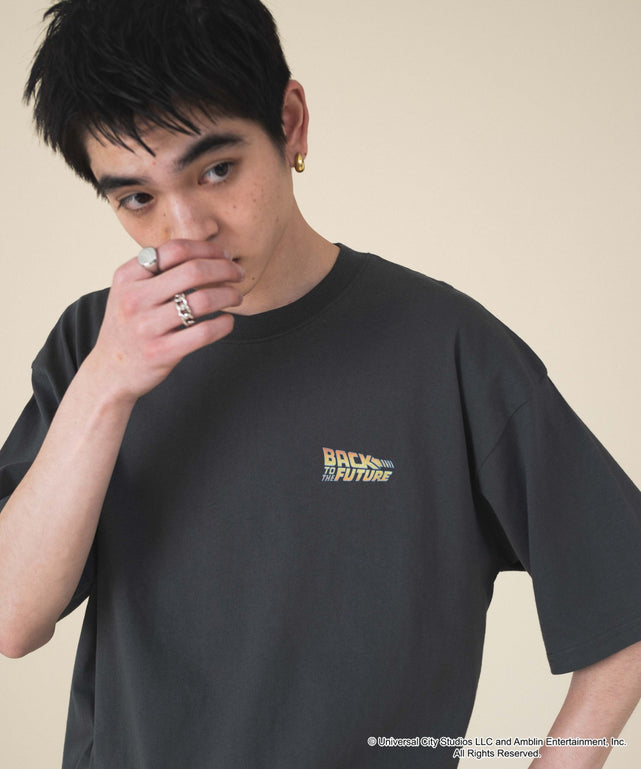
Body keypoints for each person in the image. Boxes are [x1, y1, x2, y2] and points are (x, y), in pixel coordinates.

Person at [1, 1, 640, 767]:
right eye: (137, 197)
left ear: (290, 124)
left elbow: (625, 600)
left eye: (217, 169)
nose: (187, 227)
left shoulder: (444, 346)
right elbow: (13, 618)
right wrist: (107, 383)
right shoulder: (93, 344)